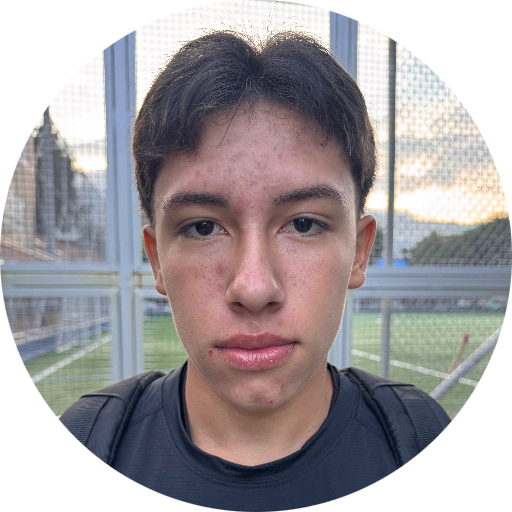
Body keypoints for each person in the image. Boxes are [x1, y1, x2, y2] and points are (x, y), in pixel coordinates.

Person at [61, 30, 450, 508]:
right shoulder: (90, 437)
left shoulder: (419, 435)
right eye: (203, 227)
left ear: (358, 252)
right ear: (156, 259)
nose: (253, 287)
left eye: (303, 224)